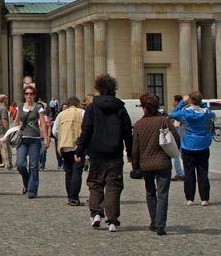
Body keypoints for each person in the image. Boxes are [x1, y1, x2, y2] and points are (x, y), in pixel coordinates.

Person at [75, 74, 133, 231]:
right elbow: (127, 132)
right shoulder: (120, 108)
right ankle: (113, 220)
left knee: (95, 183)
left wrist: (80, 150)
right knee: (113, 186)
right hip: (114, 152)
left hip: (96, 152)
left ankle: (96, 214)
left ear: (99, 89)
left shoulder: (92, 108)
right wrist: (130, 151)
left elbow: (86, 130)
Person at [130, 93, 180, 236]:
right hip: (163, 163)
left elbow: (135, 148)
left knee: (150, 193)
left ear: (145, 108)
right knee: (163, 194)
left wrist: (135, 165)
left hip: (146, 164)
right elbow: (176, 139)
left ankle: (153, 221)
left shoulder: (139, 124)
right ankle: (161, 224)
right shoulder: (164, 121)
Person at [169, 91, 215, 206]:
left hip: (188, 144)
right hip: (203, 144)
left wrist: (182, 103)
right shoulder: (206, 112)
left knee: (189, 172)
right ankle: (204, 198)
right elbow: (212, 114)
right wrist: (201, 103)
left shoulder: (185, 112)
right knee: (203, 172)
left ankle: (190, 198)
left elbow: (173, 114)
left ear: (190, 100)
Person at [15, 85, 51, 199]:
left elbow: (43, 123)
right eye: (27, 93)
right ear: (24, 95)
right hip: (22, 139)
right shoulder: (19, 107)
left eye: (31, 93)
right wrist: (11, 133)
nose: (29, 96)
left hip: (35, 139)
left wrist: (46, 138)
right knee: (20, 164)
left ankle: (32, 190)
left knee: (34, 165)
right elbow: (16, 122)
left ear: (34, 95)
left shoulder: (38, 107)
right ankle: (27, 181)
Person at [54, 97, 85, 205]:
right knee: (77, 171)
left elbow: (55, 131)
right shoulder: (82, 113)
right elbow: (87, 128)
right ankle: (74, 197)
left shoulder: (60, 115)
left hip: (65, 146)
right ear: (77, 104)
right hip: (78, 146)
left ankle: (69, 197)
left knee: (68, 171)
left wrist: (63, 136)